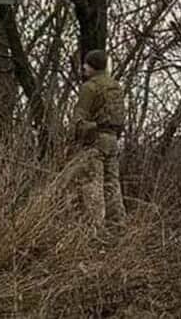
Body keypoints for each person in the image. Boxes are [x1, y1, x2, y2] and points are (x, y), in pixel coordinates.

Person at [68, 49, 126, 229]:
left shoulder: (89, 87)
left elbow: (79, 118)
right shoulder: (116, 87)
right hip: (112, 141)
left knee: (92, 185)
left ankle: (95, 231)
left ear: (92, 66)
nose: (83, 68)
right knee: (112, 185)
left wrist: (74, 137)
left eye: (86, 64)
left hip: (94, 142)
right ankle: (117, 227)